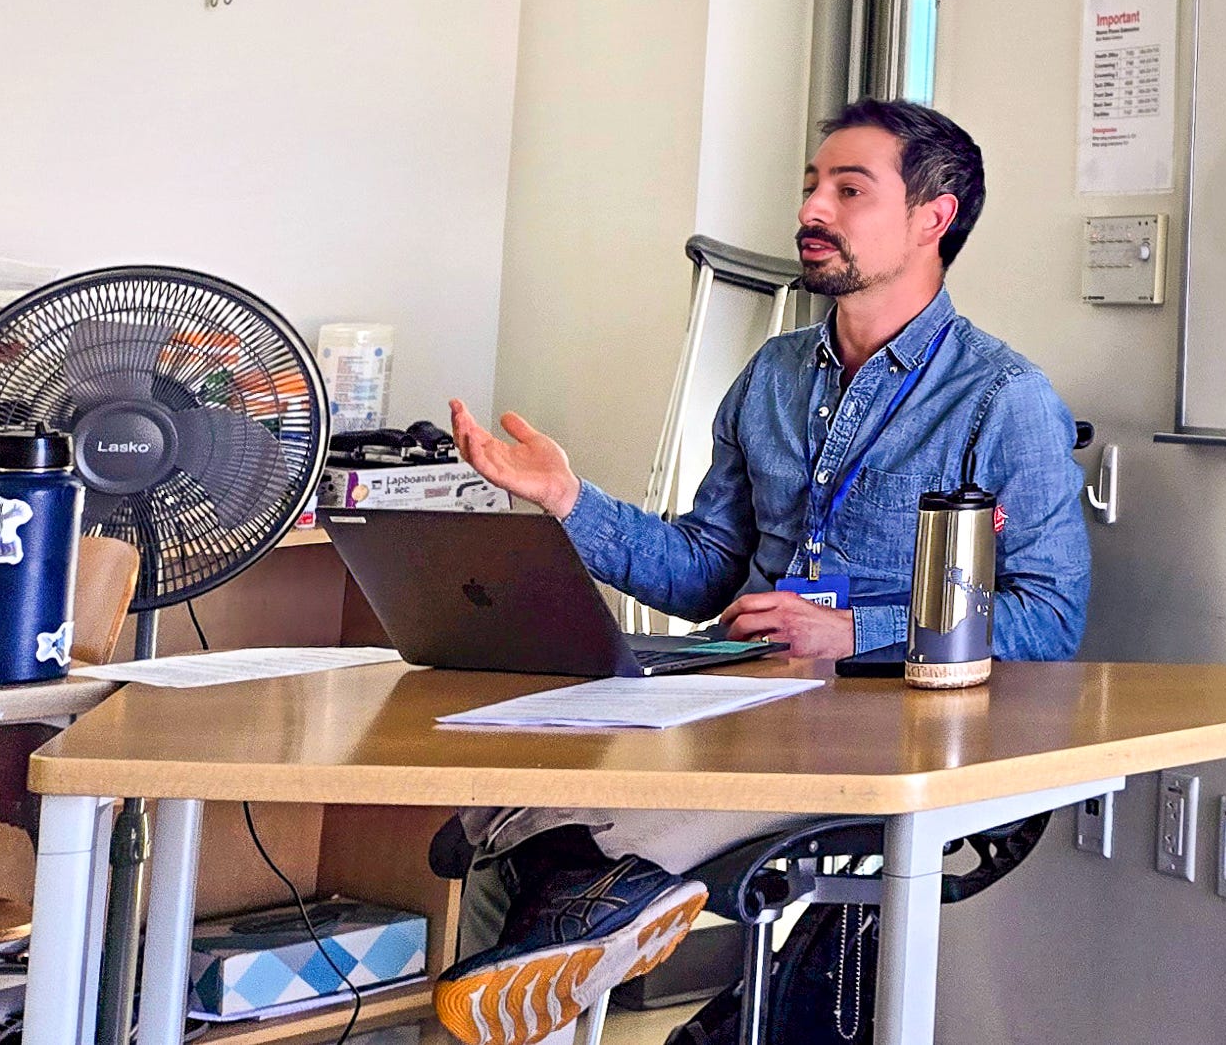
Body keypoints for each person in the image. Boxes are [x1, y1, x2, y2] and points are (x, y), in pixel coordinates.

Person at [429, 99, 1090, 1045]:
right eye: (811, 186)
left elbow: (1049, 620)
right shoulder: (773, 375)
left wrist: (852, 632)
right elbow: (707, 572)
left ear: (932, 218)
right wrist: (568, 501)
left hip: (886, 712)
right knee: (516, 773)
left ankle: (588, 880)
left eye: (850, 191)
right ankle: (570, 886)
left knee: (570, 817)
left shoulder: (1003, 398)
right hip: (744, 687)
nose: (812, 209)